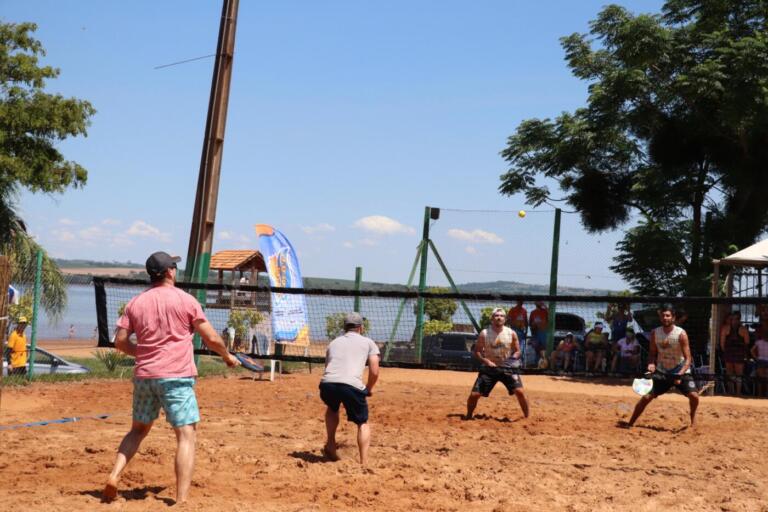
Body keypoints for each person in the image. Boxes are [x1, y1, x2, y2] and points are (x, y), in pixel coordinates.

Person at [103, 251, 240, 504]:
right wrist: (227, 356)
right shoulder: (186, 300)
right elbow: (211, 338)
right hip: (176, 377)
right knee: (186, 435)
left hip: (145, 376)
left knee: (137, 430)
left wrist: (144, 352)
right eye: (174, 267)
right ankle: (181, 500)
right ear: (169, 272)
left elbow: (120, 342)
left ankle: (114, 474)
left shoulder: (135, 303)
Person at [319, 312, 380, 465]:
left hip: (327, 384)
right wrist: (368, 388)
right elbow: (374, 371)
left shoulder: (333, 343)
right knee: (362, 422)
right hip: (351, 385)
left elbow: (327, 367)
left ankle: (331, 445)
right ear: (361, 328)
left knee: (332, 408)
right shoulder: (368, 342)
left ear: (344, 327)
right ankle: (364, 461)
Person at [626, 305, 699, 428]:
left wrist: (680, 374)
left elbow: (688, 359)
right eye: (663, 316)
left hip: (680, 370)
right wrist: (651, 363)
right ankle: (630, 423)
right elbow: (652, 354)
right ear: (660, 318)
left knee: (694, 396)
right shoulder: (655, 333)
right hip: (662, 372)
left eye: (668, 315)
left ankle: (693, 419)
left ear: (673, 317)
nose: (665, 318)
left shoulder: (681, 334)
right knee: (646, 397)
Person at [466, 308, 530, 420]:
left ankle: (527, 417)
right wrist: (486, 361)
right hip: (489, 369)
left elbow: (518, 351)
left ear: (505, 319)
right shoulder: (484, 333)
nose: (499, 318)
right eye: (496, 316)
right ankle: (468, 416)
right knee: (474, 395)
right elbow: (477, 351)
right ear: (492, 318)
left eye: (501, 316)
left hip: (507, 368)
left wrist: (512, 359)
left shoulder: (511, 333)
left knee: (520, 392)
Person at [719, 311, 750, 395]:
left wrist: (725, 351)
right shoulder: (743, 329)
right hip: (738, 354)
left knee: (730, 374)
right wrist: (745, 354)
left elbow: (722, 344)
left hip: (729, 353)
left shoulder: (725, 328)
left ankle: (731, 391)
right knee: (738, 374)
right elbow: (747, 343)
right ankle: (737, 392)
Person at [506, 300, 528, 364]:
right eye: (519, 301)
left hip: (522, 332)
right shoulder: (512, 310)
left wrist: (526, 331)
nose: (521, 302)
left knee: (521, 349)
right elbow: (508, 321)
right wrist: (516, 324)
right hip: (514, 331)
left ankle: (521, 364)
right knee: (514, 349)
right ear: (517, 301)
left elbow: (526, 322)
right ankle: (512, 363)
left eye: (522, 301)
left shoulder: (524, 310)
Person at [528, 301, 548, 365]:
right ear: (535, 303)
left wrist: (544, 305)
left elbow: (551, 314)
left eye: (540, 301)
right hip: (535, 333)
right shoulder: (533, 312)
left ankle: (544, 363)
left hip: (543, 332)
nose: (539, 303)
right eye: (537, 302)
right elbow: (530, 324)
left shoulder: (545, 311)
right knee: (537, 349)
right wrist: (533, 325)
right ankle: (536, 363)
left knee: (544, 348)